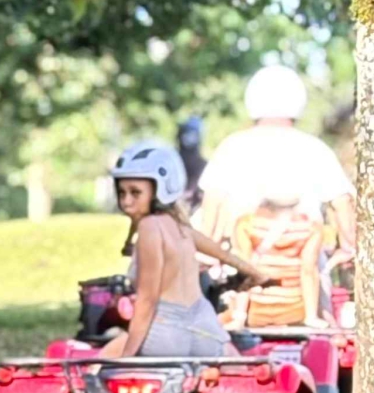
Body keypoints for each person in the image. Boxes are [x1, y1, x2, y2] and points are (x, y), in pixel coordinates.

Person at [99, 143, 267, 359]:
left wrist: (126, 356)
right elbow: (224, 255)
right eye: (122, 193)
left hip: (166, 332)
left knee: (97, 366)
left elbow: (147, 300)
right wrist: (255, 275)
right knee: (234, 367)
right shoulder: (180, 227)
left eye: (135, 193)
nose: (126, 201)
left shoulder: (149, 227)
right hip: (207, 331)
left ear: (159, 191)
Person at [195, 65, 357, 264]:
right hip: (303, 266)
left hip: (244, 264)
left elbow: (211, 212)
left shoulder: (231, 147)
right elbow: (343, 204)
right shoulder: (315, 148)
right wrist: (348, 247)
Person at [228, 183, 330, 329]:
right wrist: (311, 317)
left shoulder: (247, 224)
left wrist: (239, 316)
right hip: (294, 311)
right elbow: (308, 271)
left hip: (256, 311)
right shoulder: (310, 227)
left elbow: (244, 269)